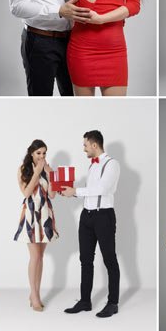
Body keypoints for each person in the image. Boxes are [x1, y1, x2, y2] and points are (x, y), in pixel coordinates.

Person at [61, 129, 120, 319]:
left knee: (109, 260)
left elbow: (102, 189)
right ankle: (85, 301)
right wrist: (70, 192)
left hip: (104, 217)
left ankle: (113, 303)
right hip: (86, 217)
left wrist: (76, 191)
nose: (84, 149)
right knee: (85, 260)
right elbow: (91, 191)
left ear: (95, 145)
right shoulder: (92, 166)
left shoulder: (112, 164)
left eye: (85, 145)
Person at [14, 140, 58, 313]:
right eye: (38, 153)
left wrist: (50, 173)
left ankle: (35, 294)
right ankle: (34, 295)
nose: (42, 156)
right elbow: (26, 193)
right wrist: (37, 172)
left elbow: (53, 194)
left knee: (40, 257)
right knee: (34, 257)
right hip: (31, 215)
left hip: (46, 215)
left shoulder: (47, 170)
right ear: (31, 153)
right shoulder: (22, 169)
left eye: (44, 153)